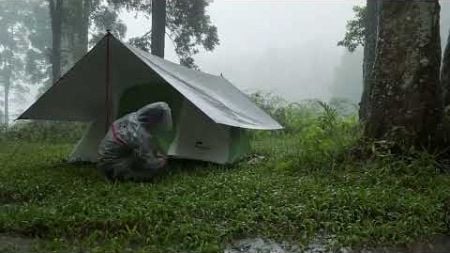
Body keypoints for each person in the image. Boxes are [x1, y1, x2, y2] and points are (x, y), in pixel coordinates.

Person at [97, 102, 173, 181]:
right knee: (152, 168)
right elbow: (148, 159)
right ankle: (122, 176)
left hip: (105, 160)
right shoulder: (138, 132)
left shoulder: (132, 117)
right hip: (112, 167)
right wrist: (161, 161)